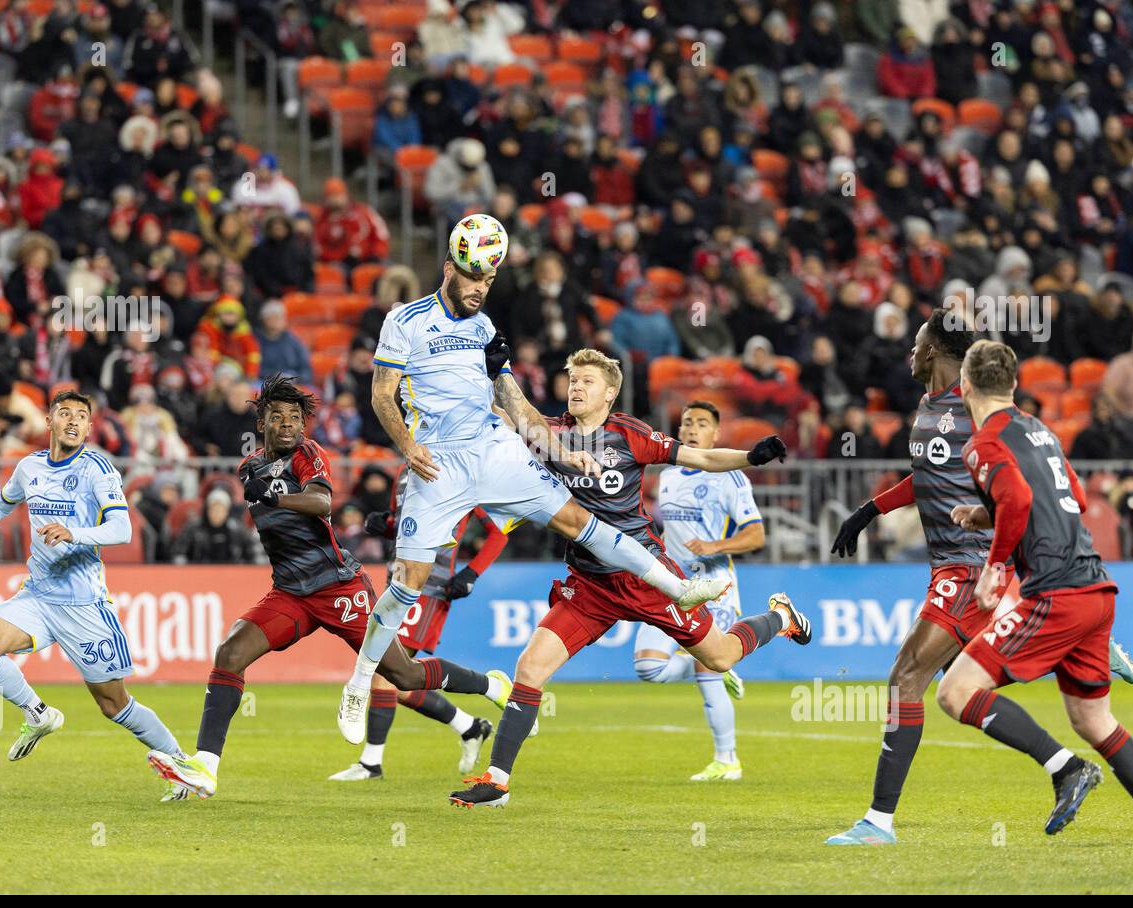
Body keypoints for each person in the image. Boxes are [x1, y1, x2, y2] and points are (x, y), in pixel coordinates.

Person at [338, 218, 735, 746]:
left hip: (493, 450)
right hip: (438, 464)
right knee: (407, 580)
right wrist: (408, 447)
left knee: (578, 520)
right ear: (450, 268)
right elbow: (381, 396)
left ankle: (679, 588)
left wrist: (565, 454)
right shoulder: (405, 321)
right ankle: (361, 679)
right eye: (473, 276)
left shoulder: (485, 331)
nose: (480, 287)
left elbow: (516, 405)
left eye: (489, 279)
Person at [825, 310, 1133, 847]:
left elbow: (1032, 481)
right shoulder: (927, 407)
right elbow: (928, 474)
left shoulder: (981, 414)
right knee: (957, 685)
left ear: (939, 352)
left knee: (907, 678)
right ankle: (1065, 754)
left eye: (919, 344)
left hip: (971, 566)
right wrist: (869, 510)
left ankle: (878, 823)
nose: (911, 353)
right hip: (949, 564)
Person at [449, 348, 806, 809]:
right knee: (530, 668)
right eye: (572, 379)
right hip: (589, 585)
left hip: (646, 577)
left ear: (609, 393)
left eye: (587, 382)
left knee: (719, 658)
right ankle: (496, 782)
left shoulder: (628, 434)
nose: (575, 387)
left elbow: (697, 457)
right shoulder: (550, 434)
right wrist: (489, 372)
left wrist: (750, 457)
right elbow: (506, 413)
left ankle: (780, 617)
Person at [148, 375, 516, 801]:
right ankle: (205, 768)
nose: (287, 424)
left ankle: (491, 686)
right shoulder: (249, 468)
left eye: (295, 417)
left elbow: (322, 502)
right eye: (277, 416)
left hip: (338, 588)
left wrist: (274, 496)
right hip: (290, 592)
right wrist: (267, 491)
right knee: (230, 652)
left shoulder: (308, 454)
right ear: (261, 422)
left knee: (402, 674)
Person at [936, 340, 1133, 865]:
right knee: (1094, 721)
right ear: (1012, 385)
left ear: (964, 387)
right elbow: (1071, 500)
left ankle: (1065, 769)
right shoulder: (1041, 430)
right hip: (1095, 587)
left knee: (955, 690)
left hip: (1056, 591)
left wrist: (994, 568)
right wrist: (984, 515)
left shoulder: (983, 445)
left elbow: (1022, 500)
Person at [0, 391, 187, 798]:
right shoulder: (29, 467)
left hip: (83, 604)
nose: (73, 421)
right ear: (50, 421)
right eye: (65, 413)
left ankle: (181, 766)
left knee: (114, 706)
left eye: (81, 416)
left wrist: (76, 532)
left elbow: (122, 531)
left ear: (90, 428)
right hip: (38, 594)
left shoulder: (98, 470)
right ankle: (38, 714)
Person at [328, 466, 509, 781]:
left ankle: (371, 764)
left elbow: (498, 532)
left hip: (431, 588)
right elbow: (403, 526)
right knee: (397, 679)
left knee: (384, 673)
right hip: (396, 584)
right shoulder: (402, 472)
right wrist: (383, 525)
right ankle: (470, 726)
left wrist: (471, 572)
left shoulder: (459, 471)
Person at [632, 400, 765, 781]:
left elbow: (756, 534)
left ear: (715, 435)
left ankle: (728, 760)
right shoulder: (668, 474)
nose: (691, 428)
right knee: (648, 668)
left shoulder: (731, 477)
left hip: (714, 589)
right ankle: (718, 665)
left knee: (708, 674)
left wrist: (714, 547)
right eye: (686, 422)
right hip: (672, 586)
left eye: (701, 423)